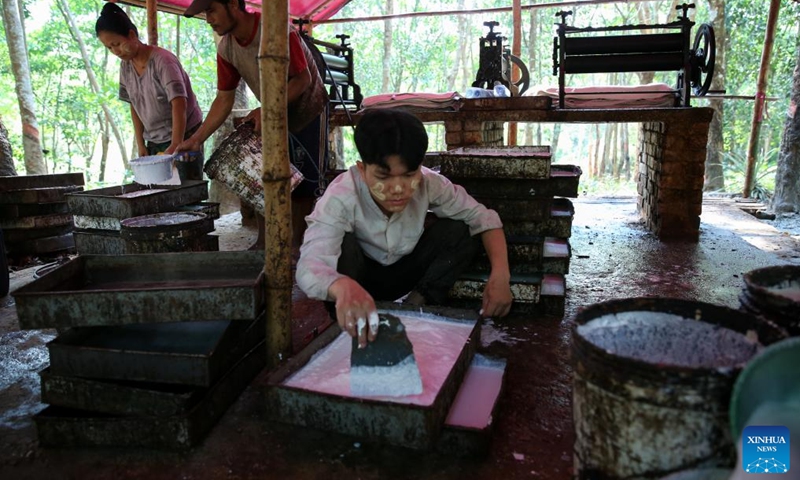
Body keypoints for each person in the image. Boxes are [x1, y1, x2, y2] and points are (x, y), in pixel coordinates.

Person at [296, 108, 513, 348]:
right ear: (361, 169)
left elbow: (483, 217)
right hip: (359, 279)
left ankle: (417, 305)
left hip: (405, 272)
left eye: (409, 175)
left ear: (420, 167)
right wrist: (341, 286)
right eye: (383, 177)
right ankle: (347, 321)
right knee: (343, 248)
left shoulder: (430, 183)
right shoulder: (340, 196)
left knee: (460, 230)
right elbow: (309, 267)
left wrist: (501, 275)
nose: (398, 189)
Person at [178, 0, 328, 249]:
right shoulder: (227, 48)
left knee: (304, 183)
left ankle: (296, 246)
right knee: (260, 176)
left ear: (233, 4)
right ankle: (265, 241)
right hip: (270, 111)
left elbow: (303, 79)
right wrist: (196, 139)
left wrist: (267, 108)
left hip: (307, 109)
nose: (208, 19)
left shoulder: (278, 30)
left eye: (212, 9)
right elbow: (224, 98)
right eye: (205, 13)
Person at [95, 2, 204, 181]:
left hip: (184, 134)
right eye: (109, 47)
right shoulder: (126, 67)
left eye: (117, 44)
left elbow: (179, 103)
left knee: (185, 187)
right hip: (155, 138)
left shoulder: (163, 61)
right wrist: (141, 144)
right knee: (159, 189)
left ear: (131, 35)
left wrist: (176, 144)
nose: (115, 51)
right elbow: (134, 105)